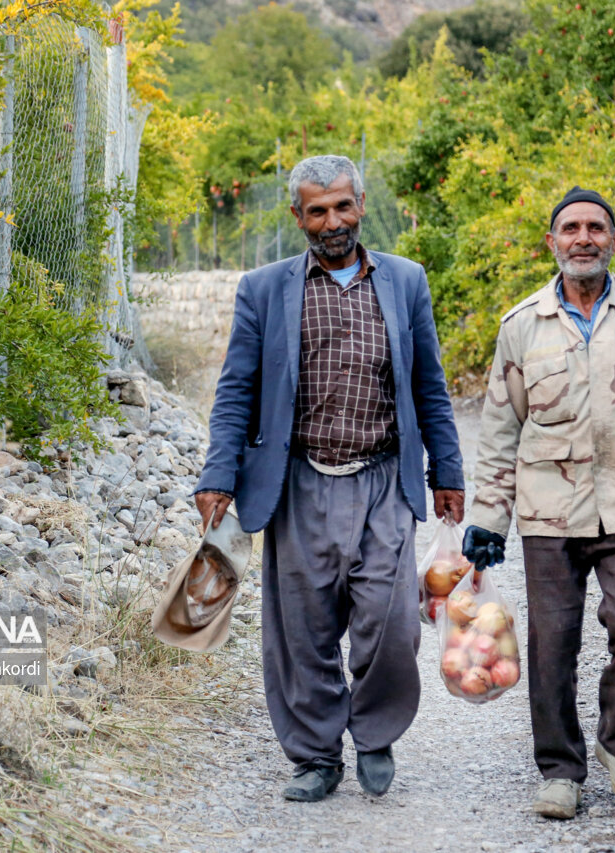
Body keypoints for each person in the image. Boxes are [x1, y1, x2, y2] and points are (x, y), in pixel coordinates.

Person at [193, 155, 465, 802]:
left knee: (392, 621)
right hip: (297, 483)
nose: (332, 221)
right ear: (297, 217)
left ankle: (374, 734)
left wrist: (446, 468)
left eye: (342, 206)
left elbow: (430, 384)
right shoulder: (264, 289)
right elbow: (237, 389)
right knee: (302, 629)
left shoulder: (405, 281)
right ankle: (316, 754)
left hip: (382, 481)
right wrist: (217, 472)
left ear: (361, 204)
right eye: (317, 210)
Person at [461, 186, 615, 820]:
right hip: (549, 511)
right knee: (552, 642)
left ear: (613, 239)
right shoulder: (521, 326)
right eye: (569, 228)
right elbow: (499, 430)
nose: (583, 238)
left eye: (595, 228)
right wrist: (488, 518)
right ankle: (559, 770)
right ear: (551, 242)